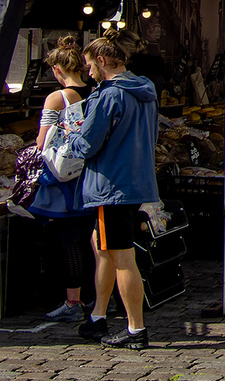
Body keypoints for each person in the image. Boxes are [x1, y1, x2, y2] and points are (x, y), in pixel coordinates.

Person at [67, 37, 159, 349]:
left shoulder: (109, 96)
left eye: (90, 65)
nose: (88, 72)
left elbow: (88, 143)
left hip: (112, 185)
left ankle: (136, 328)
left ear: (103, 62)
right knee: (103, 246)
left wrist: (69, 137)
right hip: (133, 180)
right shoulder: (144, 89)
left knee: (121, 256)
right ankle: (98, 316)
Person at [29, 35, 95, 323]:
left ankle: (73, 302)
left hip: (66, 179)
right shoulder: (98, 90)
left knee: (70, 242)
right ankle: (101, 298)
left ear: (57, 70)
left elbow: (43, 141)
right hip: (93, 174)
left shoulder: (57, 98)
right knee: (95, 241)